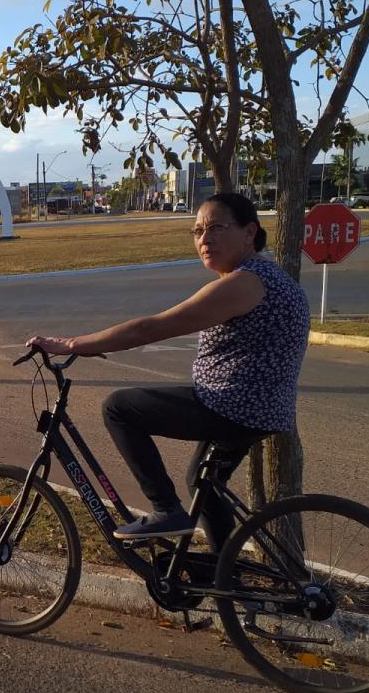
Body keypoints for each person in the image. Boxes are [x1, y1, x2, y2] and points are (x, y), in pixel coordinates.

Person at [26, 192, 310, 547]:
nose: (205, 239)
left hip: (233, 406)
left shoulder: (245, 283)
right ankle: (222, 575)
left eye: (217, 228)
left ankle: (166, 511)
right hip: (262, 409)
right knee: (201, 482)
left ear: (249, 232)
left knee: (119, 408)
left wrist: (73, 344)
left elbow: (153, 328)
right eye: (197, 231)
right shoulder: (267, 277)